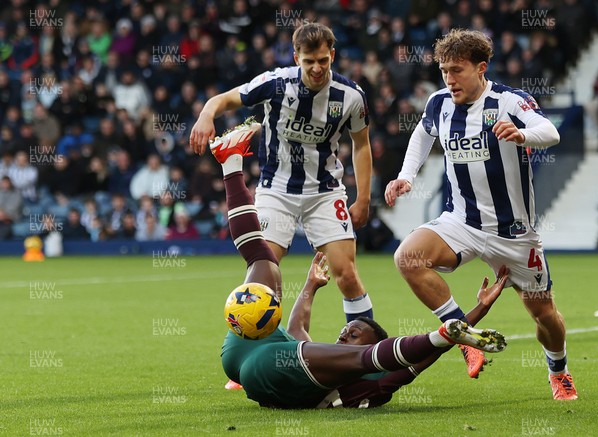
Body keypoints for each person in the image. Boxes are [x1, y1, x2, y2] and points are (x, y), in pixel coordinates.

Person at [209, 129, 507, 408]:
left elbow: (422, 355)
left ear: (382, 350)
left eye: (353, 334)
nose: (343, 334)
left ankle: (230, 165)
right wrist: (310, 287)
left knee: (363, 358)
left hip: (265, 371)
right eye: (348, 330)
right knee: (264, 263)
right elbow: (297, 329)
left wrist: (453, 332)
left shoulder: (376, 383)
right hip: (245, 348)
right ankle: (230, 161)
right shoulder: (310, 358)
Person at [384, 29, 577, 400]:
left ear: (481, 67)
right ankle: (463, 335)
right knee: (407, 257)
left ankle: (559, 370)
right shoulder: (439, 103)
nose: (449, 79)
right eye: (444, 71)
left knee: (545, 316)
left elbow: (548, 131)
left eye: (457, 70)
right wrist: (405, 176)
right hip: (462, 222)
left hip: (515, 233)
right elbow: (423, 135)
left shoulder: (509, 101)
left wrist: (523, 136)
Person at [190, 23, 375, 323]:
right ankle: (251, 359)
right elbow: (222, 100)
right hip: (276, 189)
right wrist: (205, 116)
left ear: (333, 55)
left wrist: (363, 198)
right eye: (308, 61)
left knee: (347, 274)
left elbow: (362, 145)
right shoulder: (275, 83)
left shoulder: (351, 96)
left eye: (323, 61)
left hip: (325, 191)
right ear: (295, 57)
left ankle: (363, 352)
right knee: (264, 274)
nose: (316, 68)